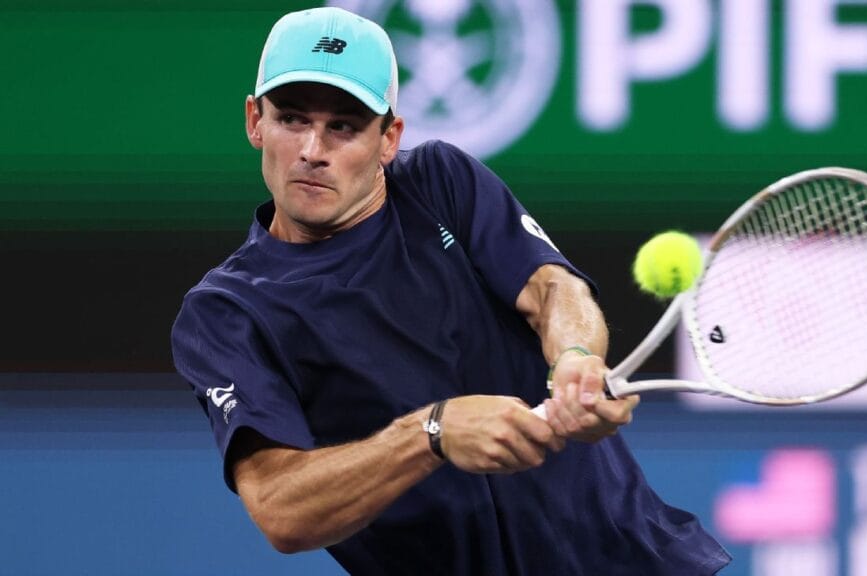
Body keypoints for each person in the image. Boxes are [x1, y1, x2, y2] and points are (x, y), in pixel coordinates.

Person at [171, 6, 730, 575]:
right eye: (292, 119)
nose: (313, 149)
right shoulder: (227, 313)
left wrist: (576, 358)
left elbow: (552, 289)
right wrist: (431, 433)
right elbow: (280, 508)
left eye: (344, 126)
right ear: (255, 121)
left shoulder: (441, 183)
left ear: (389, 138)